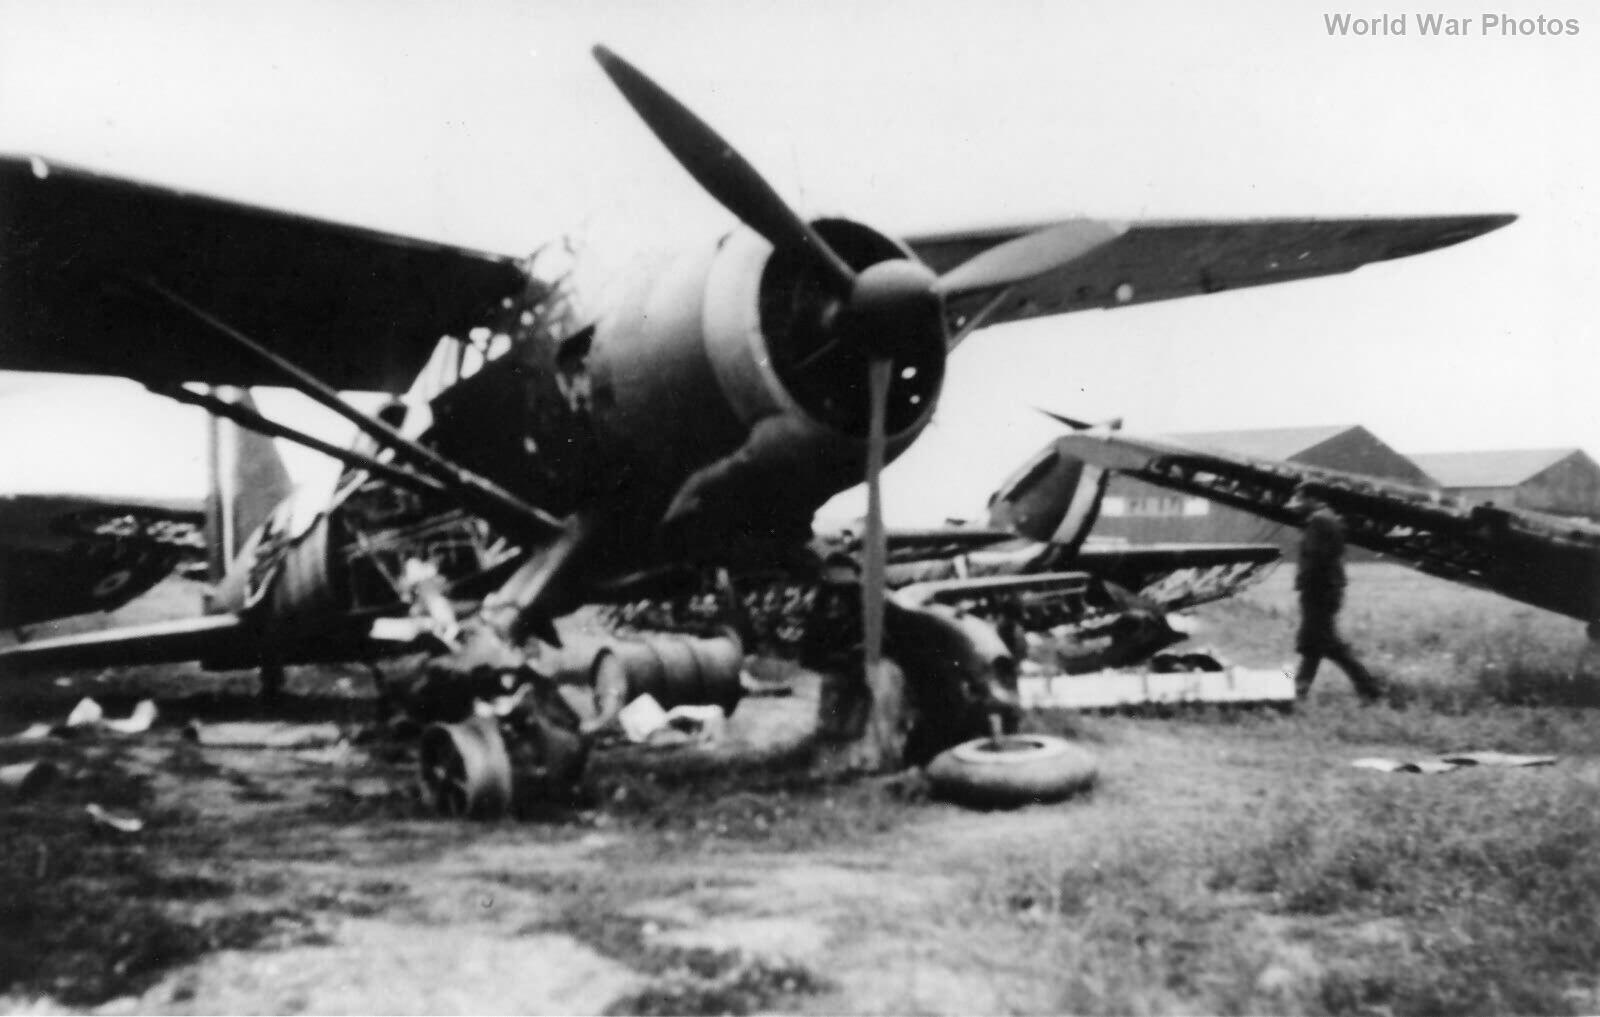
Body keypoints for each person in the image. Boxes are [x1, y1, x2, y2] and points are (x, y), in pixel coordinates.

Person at [1289, 487, 1385, 702]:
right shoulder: (1327, 518)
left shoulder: (1319, 521)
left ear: (1313, 498)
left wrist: (1306, 584)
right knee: (1313, 645)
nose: (1296, 503)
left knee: (1326, 645)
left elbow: (1316, 558)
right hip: (1325, 589)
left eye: (1300, 499)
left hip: (1319, 590)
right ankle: (1298, 692)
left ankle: (1371, 689)